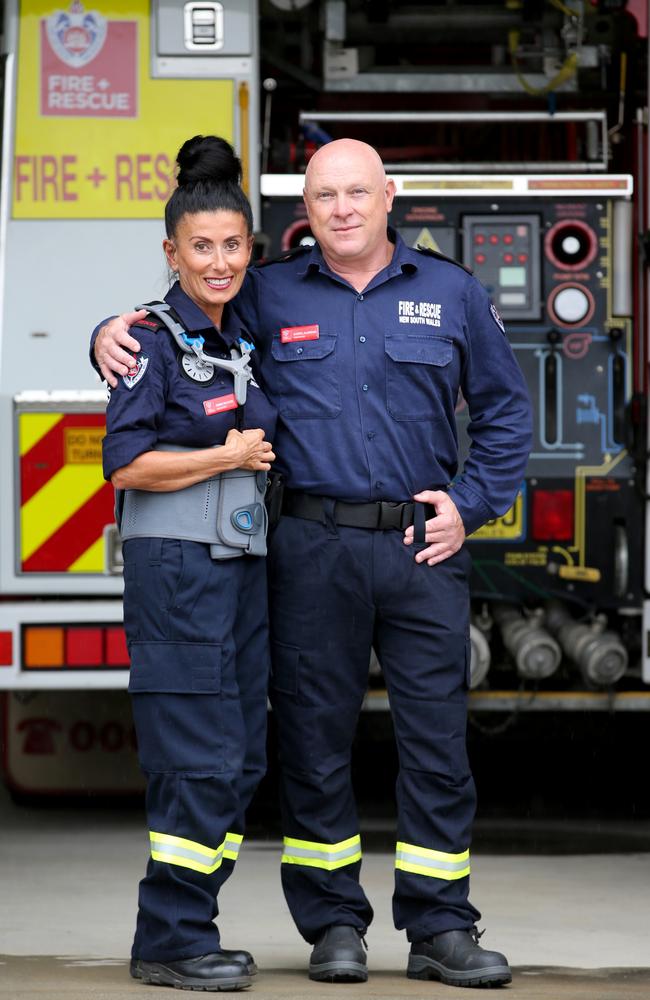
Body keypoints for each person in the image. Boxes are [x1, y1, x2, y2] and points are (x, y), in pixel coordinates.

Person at [93, 138, 532, 990]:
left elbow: (509, 412)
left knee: (437, 743)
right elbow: (185, 319)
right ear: (306, 208)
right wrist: (106, 333)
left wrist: (470, 506)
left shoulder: (452, 293)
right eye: (325, 194)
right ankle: (334, 923)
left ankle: (442, 928)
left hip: (419, 546)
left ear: (389, 196)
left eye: (356, 192)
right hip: (309, 546)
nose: (341, 209)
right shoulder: (267, 287)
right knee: (314, 743)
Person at [102, 135, 277, 992]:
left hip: (236, 569)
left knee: (241, 757)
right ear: (171, 252)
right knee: (197, 757)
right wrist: (228, 455)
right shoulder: (149, 341)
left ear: (252, 248)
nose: (217, 261)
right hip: (177, 573)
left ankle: (191, 919)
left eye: (231, 245)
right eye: (199, 247)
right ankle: (169, 937)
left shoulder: (238, 328)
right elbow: (128, 464)